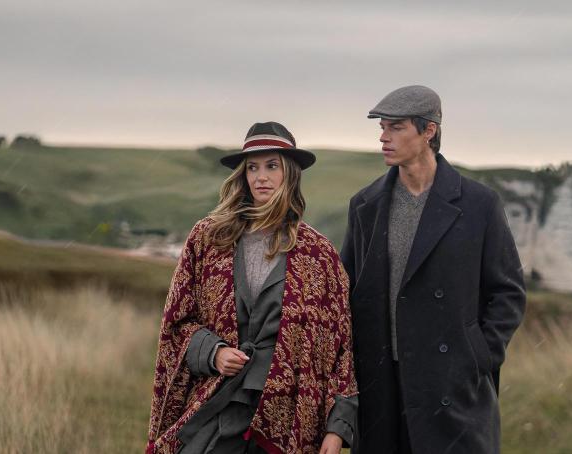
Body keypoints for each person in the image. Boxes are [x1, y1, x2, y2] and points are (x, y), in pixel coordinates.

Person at [147, 121, 358, 454]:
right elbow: (177, 322)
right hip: (218, 406)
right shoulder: (208, 239)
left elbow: (341, 349)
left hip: (289, 421)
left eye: (272, 166)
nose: (261, 177)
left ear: (290, 173)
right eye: (252, 167)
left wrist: (337, 428)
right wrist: (213, 352)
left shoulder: (319, 254)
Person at [340, 86, 526, 453]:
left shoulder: (479, 204)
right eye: (382, 127)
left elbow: (508, 292)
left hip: (451, 385)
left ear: (429, 131)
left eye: (396, 127)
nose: (383, 137)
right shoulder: (365, 205)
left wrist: (479, 356)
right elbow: (346, 291)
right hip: (382, 386)